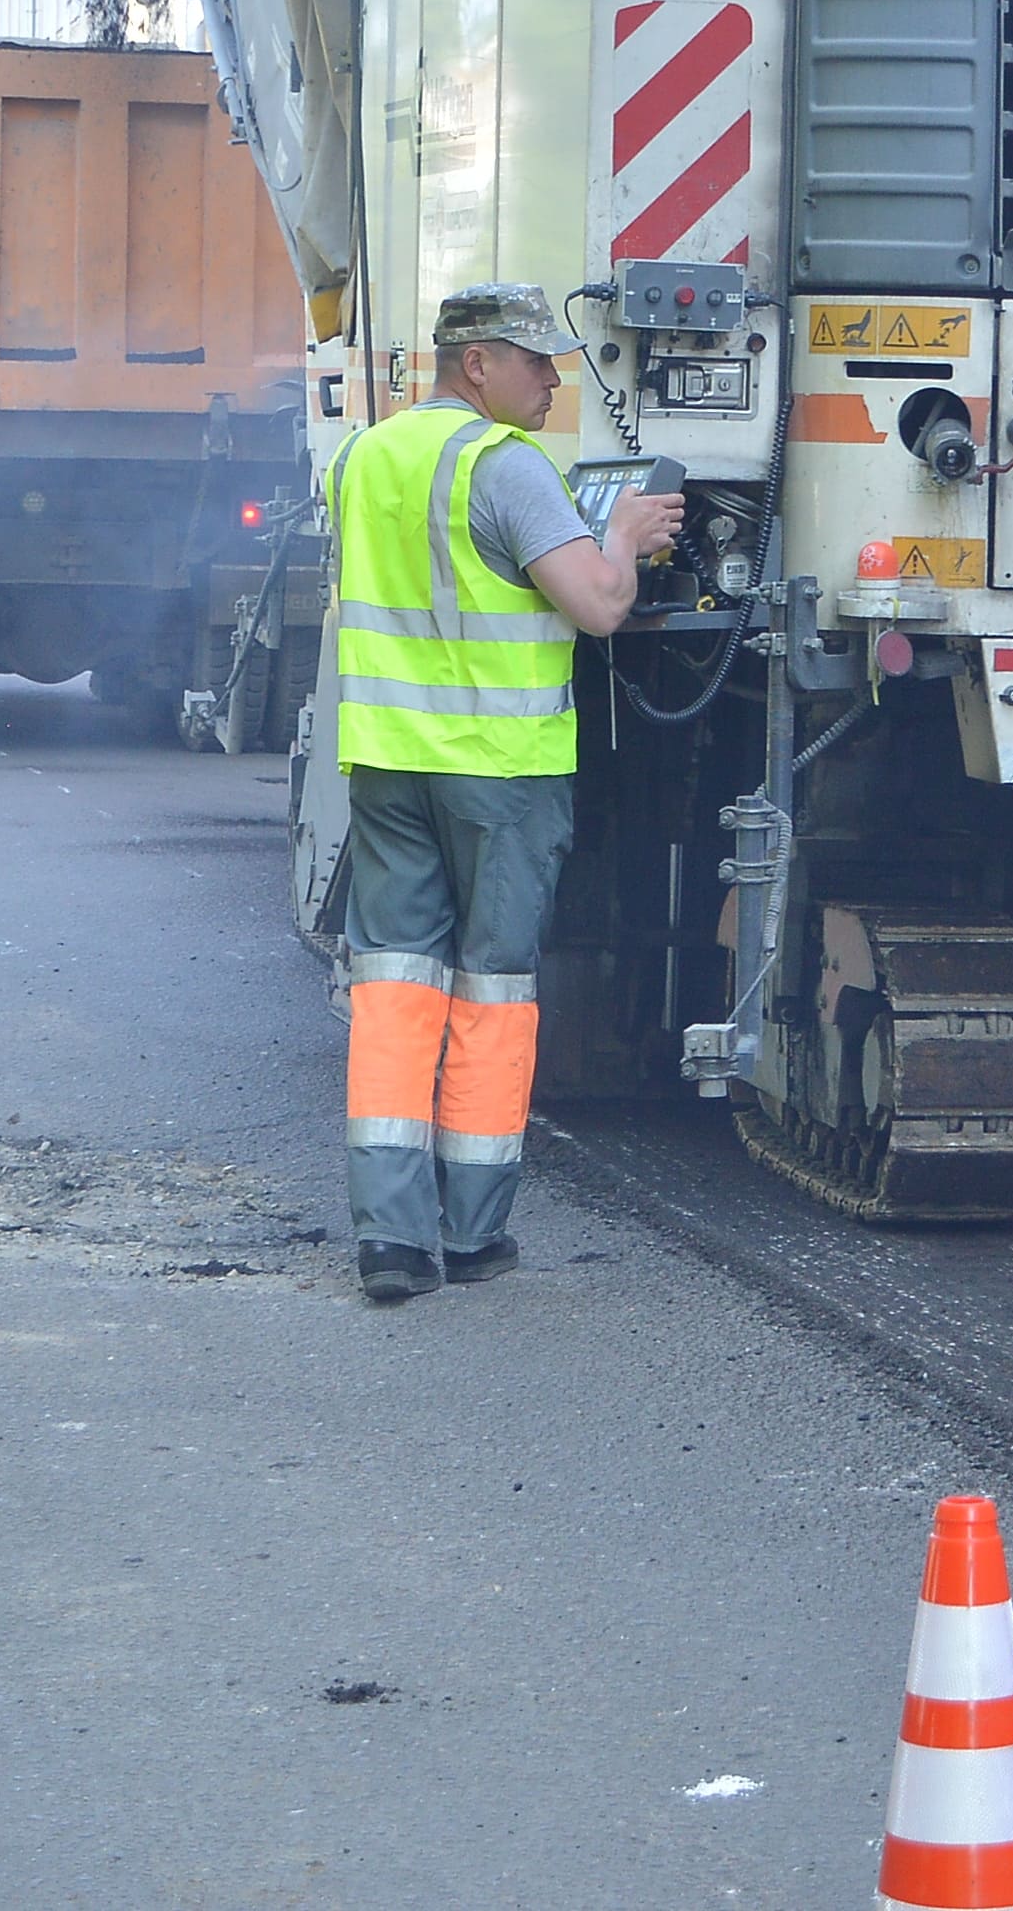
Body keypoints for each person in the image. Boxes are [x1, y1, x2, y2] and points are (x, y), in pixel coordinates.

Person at [329, 281, 682, 1304]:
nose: (551, 378)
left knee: (394, 991)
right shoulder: (506, 465)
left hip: (390, 764)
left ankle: (390, 1243)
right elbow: (598, 607)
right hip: (502, 773)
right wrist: (623, 538)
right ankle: (473, 1235)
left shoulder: (364, 457)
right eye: (534, 361)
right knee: (490, 994)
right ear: (474, 363)